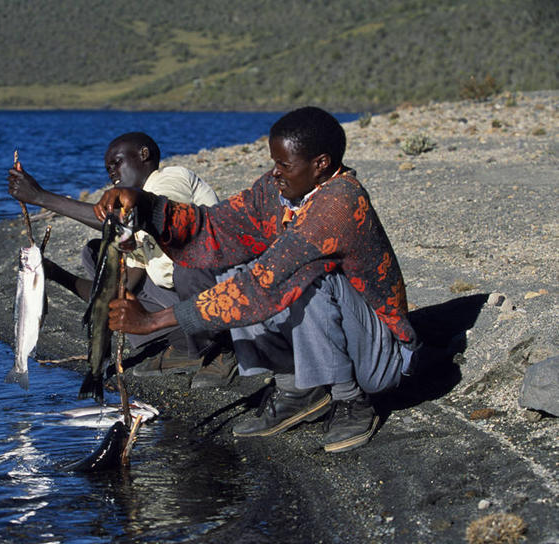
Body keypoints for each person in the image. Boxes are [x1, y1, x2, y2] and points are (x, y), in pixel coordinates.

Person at [95, 108, 420, 453]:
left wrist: (153, 321)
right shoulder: (279, 192)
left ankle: (350, 399)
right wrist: (144, 205)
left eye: (285, 165)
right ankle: (297, 388)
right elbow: (216, 225)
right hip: (342, 335)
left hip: (379, 357)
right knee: (234, 263)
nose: (275, 173)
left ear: (321, 164)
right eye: (274, 163)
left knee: (302, 275)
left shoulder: (338, 204)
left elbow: (260, 286)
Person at [7, 132, 237, 388]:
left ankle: (223, 350)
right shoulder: (141, 231)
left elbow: (122, 218)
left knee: (188, 266)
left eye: (117, 162)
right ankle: (187, 347)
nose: (112, 172)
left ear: (144, 155)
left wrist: (40, 197)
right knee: (98, 254)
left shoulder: (168, 178)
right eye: (107, 168)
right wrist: (54, 273)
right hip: (184, 296)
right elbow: (117, 289)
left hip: (219, 291)